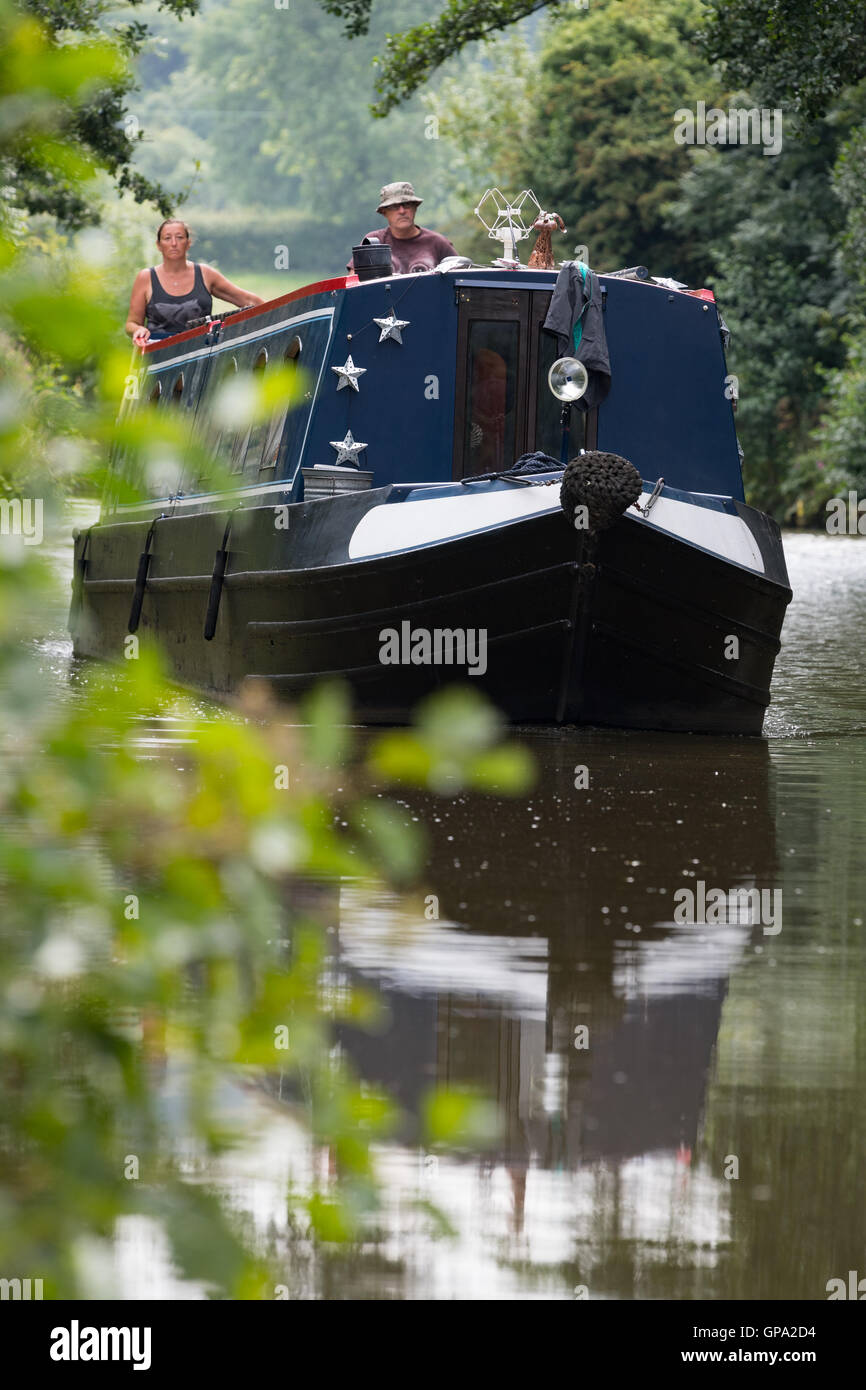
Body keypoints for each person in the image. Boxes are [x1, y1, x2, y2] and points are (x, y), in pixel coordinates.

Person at [125, 219, 265, 346]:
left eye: (179, 238)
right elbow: (131, 323)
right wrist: (138, 329)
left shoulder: (206, 274)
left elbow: (247, 300)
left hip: (200, 352)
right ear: (159, 245)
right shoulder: (145, 277)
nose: (174, 243)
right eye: (167, 238)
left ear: (188, 243)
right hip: (158, 353)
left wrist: (279, 315)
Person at [350, 181, 457, 276]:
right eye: (394, 206)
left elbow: (462, 279)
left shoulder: (438, 243)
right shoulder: (373, 242)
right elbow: (353, 283)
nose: (402, 211)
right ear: (384, 212)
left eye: (407, 205)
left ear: (415, 208)